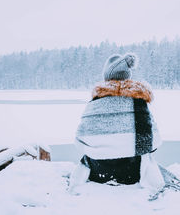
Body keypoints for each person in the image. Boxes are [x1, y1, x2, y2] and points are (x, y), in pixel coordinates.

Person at [68, 53, 165, 194]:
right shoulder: (139, 104)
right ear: (128, 76)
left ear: (106, 77)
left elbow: (79, 142)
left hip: (98, 173)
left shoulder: (94, 104)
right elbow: (154, 143)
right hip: (131, 174)